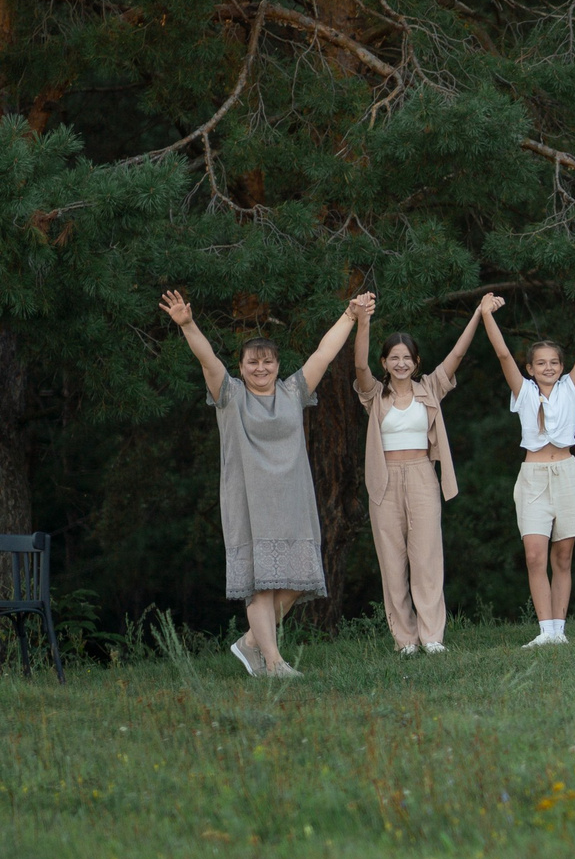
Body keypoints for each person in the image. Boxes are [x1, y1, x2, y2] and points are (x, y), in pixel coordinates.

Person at [160, 287, 371, 678]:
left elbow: (324, 354)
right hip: (249, 503)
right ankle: (273, 662)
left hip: (293, 501)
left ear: (277, 365)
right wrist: (188, 325)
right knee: (261, 585)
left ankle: (250, 642)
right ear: (241, 368)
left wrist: (349, 315)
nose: (261, 368)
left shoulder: (293, 392)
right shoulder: (230, 396)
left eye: (268, 361)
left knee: (299, 580)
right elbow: (208, 360)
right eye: (253, 362)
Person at [351, 295, 495, 656]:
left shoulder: (429, 387)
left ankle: (432, 637)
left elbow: (457, 354)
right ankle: (405, 640)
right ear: (384, 363)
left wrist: (478, 314)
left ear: (417, 363)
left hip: (422, 477)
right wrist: (363, 321)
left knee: (427, 558)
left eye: (407, 358)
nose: (401, 363)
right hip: (384, 481)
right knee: (392, 561)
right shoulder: (374, 394)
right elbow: (359, 365)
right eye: (394, 358)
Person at [483, 285, 575, 647]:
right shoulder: (523, 392)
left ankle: (559, 631)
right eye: (540, 363)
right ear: (530, 368)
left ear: (562, 366)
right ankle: (544, 631)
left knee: (564, 555)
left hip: (567, 473)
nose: (548, 368)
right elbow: (502, 354)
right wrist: (486, 314)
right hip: (534, 478)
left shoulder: (571, 387)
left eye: (554, 362)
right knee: (534, 554)